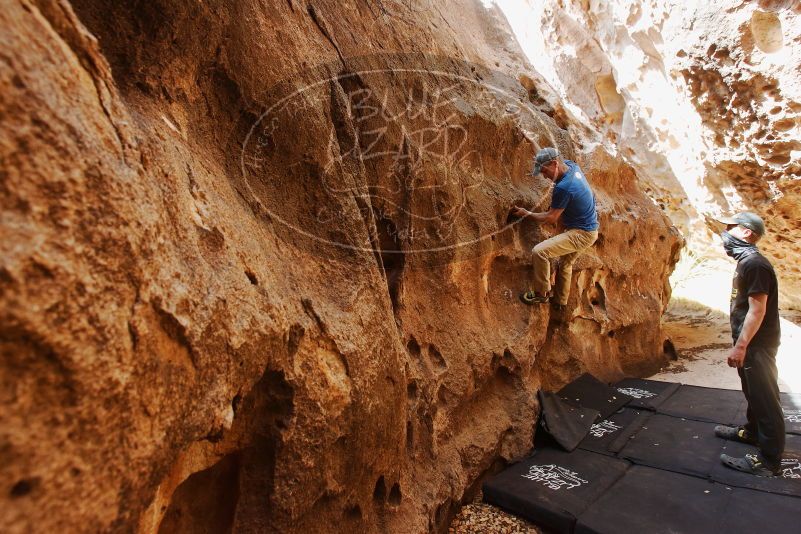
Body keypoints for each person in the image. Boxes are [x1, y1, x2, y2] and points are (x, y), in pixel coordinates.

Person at [714, 212, 783, 477]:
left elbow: (757, 310)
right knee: (753, 392)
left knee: (765, 399)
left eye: (730, 228)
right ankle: (753, 433)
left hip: (757, 344)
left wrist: (741, 346)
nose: (725, 234)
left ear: (745, 233)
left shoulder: (755, 264)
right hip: (751, 342)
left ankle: (768, 461)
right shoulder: (746, 261)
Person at [512, 147, 599, 309]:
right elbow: (548, 154)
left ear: (554, 164)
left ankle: (541, 294)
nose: (545, 176)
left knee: (540, 252)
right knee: (565, 264)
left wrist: (526, 213)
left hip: (582, 233)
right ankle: (560, 302)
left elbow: (551, 217)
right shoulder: (571, 166)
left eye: (545, 171)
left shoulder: (564, 187)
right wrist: (530, 140)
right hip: (591, 228)